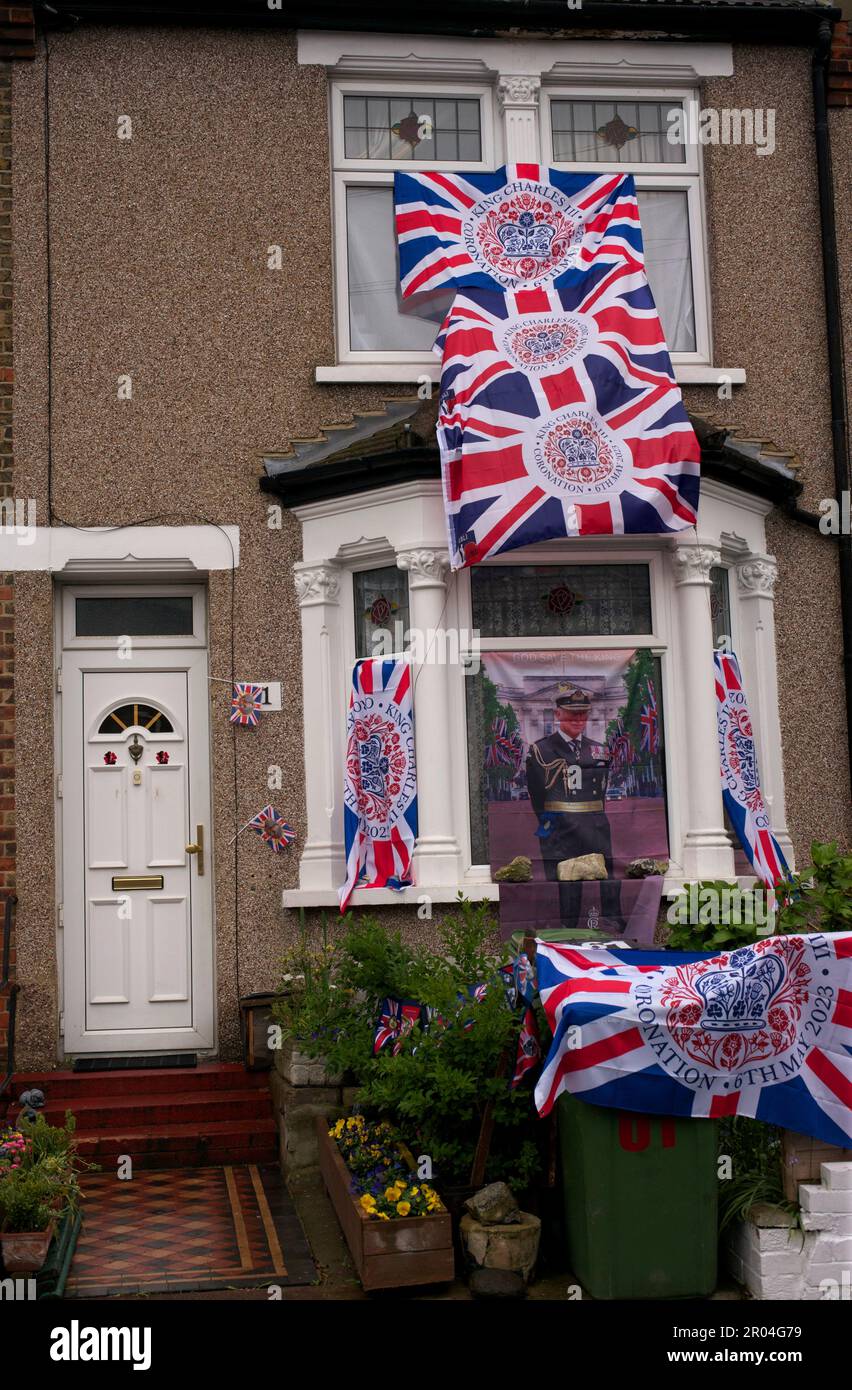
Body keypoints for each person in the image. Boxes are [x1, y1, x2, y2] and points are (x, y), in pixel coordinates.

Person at [525, 683, 625, 931]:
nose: (578, 719)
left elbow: (600, 791)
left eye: (583, 714)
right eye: (571, 714)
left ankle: (610, 923)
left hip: (594, 823)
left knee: (606, 876)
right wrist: (552, 822)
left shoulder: (598, 749)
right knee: (568, 882)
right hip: (561, 825)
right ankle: (567, 930)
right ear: (558, 714)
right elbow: (537, 795)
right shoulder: (541, 750)